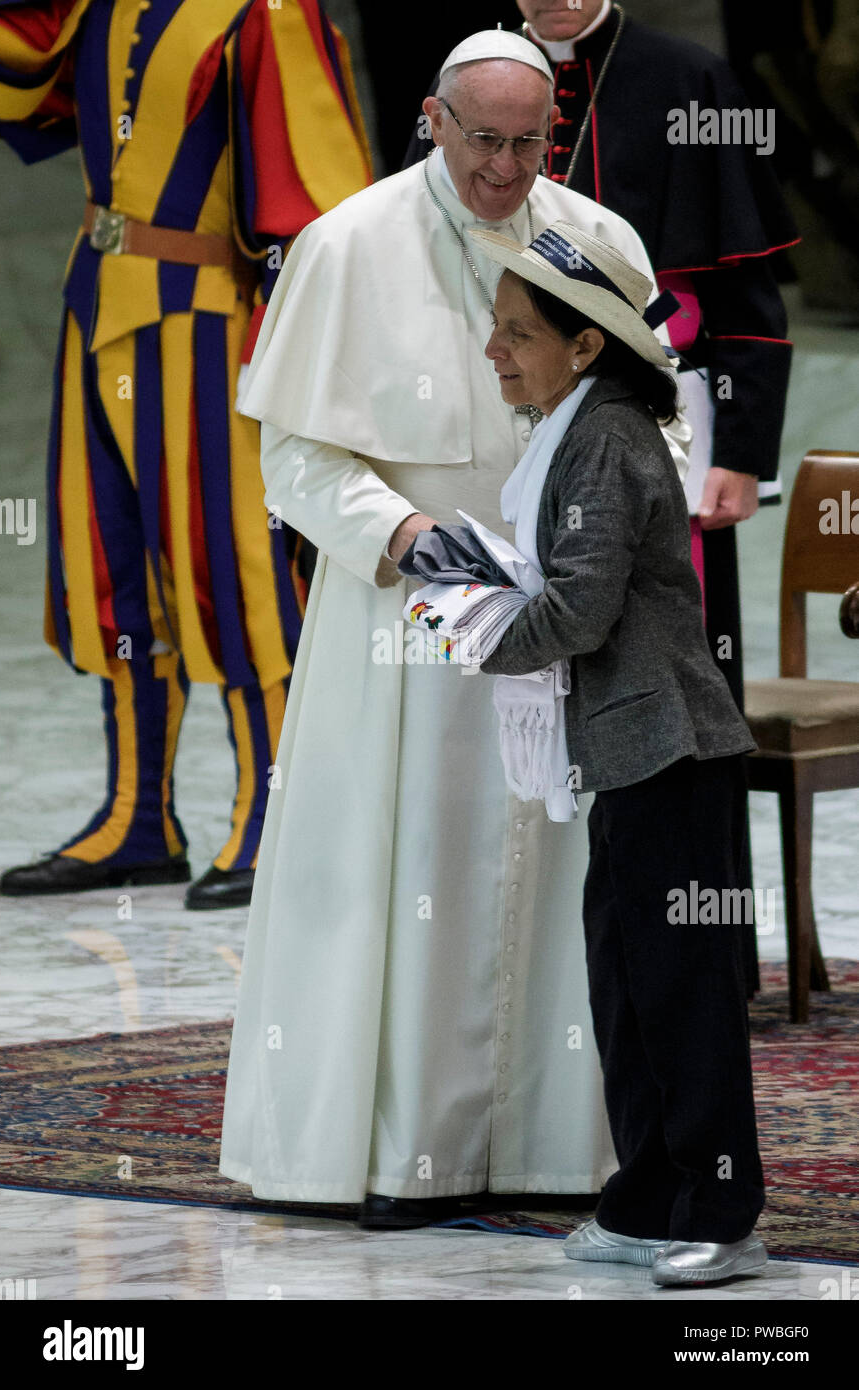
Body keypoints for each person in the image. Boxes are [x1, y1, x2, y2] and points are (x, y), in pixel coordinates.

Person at [219, 29, 691, 1229]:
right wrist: (402, 532)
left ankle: (545, 1140)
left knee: (560, 884)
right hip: (408, 631)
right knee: (403, 873)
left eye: (529, 141)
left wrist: (585, 534)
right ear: (432, 119)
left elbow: (658, 423)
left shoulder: (594, 241)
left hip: (565, 619)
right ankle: (385, 1152)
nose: (504, 168)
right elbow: (295, 453)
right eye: (482, 140)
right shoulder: (346, 244)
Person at [406, 0, 800, 992]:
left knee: (673, 681)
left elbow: (748, 298)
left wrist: (742, 454)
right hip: (516, 413)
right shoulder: (472, 82)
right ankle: (575, 960)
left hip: (665, 418)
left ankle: (704, 951)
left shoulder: (684, 77)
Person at [0, 0, 371, 909]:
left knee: (235, 566)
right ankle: (139, 819)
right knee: (108, 566)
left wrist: (289, 354)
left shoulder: (266, 12)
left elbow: (321, 207)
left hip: (211, 321)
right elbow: (21, 82)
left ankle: (279, 805)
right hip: (98, 302)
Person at [474, 218, 766, 1287]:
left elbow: (580, 610)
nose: (495, 350)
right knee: (625, 986)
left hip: (670, 752)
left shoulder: (604, 437)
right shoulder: (578, 423)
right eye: (493, 329)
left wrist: (461, 626)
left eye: (517, 333)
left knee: (678, 990)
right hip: (630, 754)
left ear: (585, 343)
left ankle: (722, 1213)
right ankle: (647, 1197)